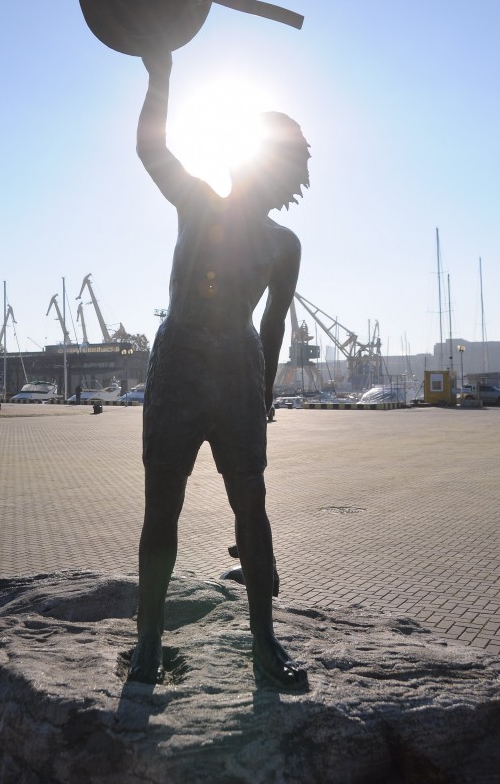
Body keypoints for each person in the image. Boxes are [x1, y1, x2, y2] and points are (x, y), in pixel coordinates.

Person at [129, 48, 310, 689]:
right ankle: (148, 642)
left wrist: (264, 395)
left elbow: (273, 325)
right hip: (179, 360)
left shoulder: (284, 245)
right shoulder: (197, 202)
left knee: (251, 507)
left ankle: (264, 641)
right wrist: (160, 75)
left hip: (237, 366)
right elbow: (152, 149)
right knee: (162, 508)